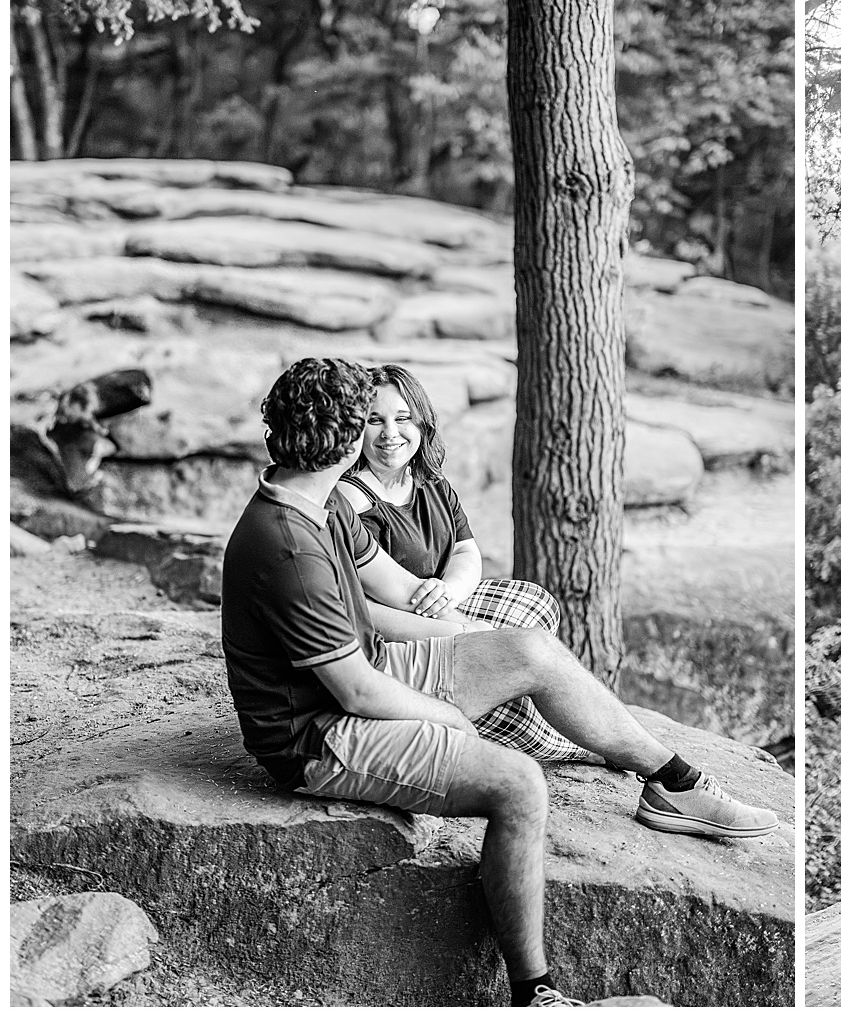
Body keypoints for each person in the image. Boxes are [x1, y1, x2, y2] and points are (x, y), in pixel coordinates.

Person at [220, 358, 777, 1008]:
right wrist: (446, 716)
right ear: (347, 442)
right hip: (316, 734)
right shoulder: (287, 543)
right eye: (368, 422)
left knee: (531, 648)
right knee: (518, 784)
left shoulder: (317, 501)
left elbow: (398, 590)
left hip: (367, 673)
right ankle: (534, 993)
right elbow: (358, 696)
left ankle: (671, 782)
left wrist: (478, 640)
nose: (383, 435)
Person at [335, 364, 593, 767]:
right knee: (506, 655)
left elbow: (465, 552)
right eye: (374, 420)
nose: (390, 433)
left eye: (403, 419)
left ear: (422, 423)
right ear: (355, 429)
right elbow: (361, 609)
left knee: (535, 603)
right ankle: (562, 742)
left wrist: (449, 591)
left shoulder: (431, 482)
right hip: (396, 633)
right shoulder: (350, 502)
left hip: (442, 602)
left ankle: (515, 702)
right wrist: (463, 631)